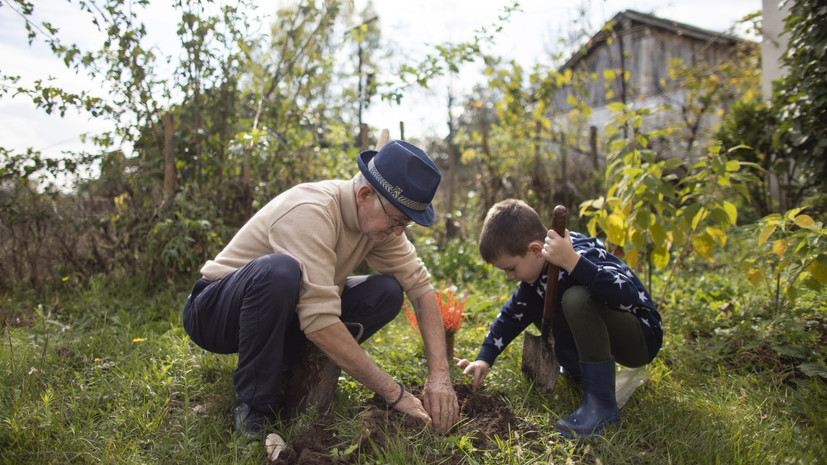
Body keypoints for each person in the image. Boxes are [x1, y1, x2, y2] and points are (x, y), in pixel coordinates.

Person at [182, 139, 459, 438]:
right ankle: (253, 405)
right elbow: (319, 322)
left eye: (405, 224)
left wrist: (440, 375)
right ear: (364, 194)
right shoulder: (311, 211)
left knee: (387, 293)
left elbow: (420, 288)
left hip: (281, 315)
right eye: (396, 221)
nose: (398, 232)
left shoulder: (380, 222)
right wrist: (394, 393)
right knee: (280, 271)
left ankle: (288, 366)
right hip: (215, 313)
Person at [456, 199, 662, 438]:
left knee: (576, 298)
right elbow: (513, 314)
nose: (509, 277)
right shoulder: (535, 278)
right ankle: (582, 373)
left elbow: (625, 295)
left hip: (639, 337)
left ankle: (602, 408)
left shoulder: (580, 252)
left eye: (510, 268)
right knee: (541, 305)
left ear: (535, 250)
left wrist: (572, 262)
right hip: (608, 333)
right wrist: (485, 358)